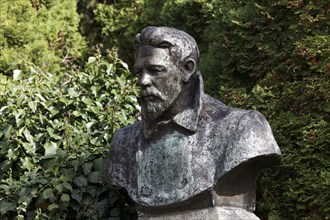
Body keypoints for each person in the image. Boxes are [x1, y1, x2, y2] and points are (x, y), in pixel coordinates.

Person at [108, 26, 281, 219]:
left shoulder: (242, 128)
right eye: (139, 72)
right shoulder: (124, 142)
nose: (143, 81)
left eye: (155, 70)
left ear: (187, 69)